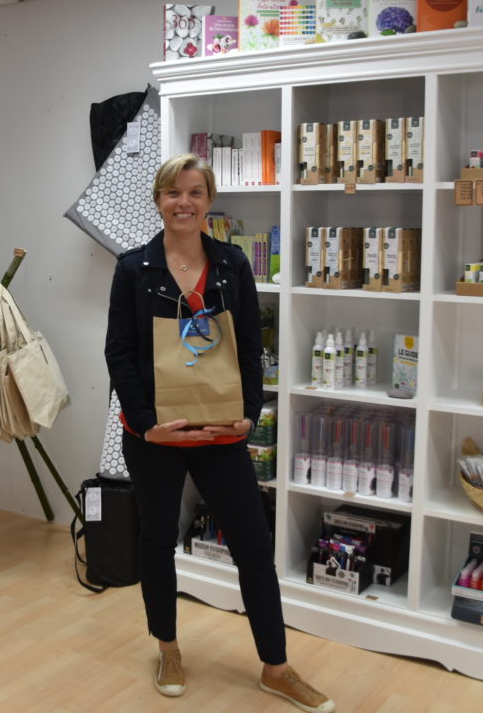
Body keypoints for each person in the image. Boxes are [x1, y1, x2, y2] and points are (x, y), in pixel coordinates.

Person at [104, 154, 335, 713]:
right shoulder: (134, 269)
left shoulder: (232, 264)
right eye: (173, 192)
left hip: (221, 434)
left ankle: (276, 667)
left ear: (209, 201)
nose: (183, 202)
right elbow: (120, 353)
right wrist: (147, 425)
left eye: (195, 192)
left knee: (253, 546)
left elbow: (251, 347)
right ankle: (168, 649)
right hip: (155, 435)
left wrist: (249, 414)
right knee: (157, 540)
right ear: (159, 200)